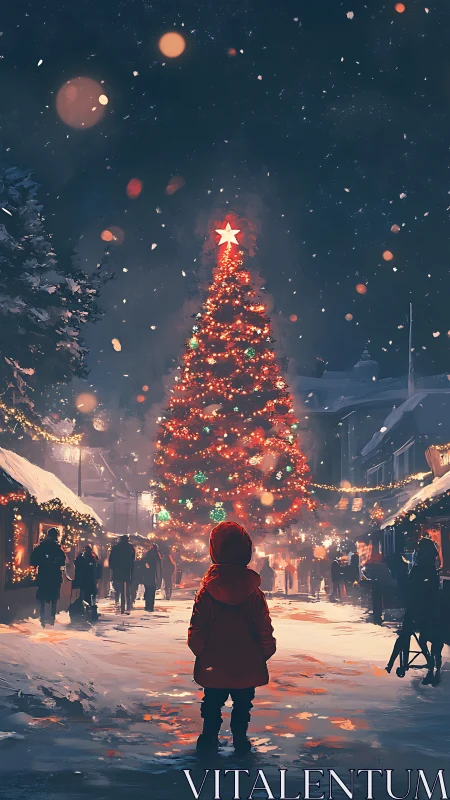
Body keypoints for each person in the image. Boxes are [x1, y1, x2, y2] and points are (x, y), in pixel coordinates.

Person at [188, 521, 276, 755]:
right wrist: (263, 652)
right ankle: (240, 739)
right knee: (243, 704)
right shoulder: (254, 593)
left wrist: (203, 652)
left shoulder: (207, 592)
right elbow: (263, 627)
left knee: (211, 703)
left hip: (213, 660)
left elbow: (197, 629)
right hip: (247, 660)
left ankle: (208, 737)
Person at [30, 527, 66, 627]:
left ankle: (42, 617)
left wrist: (42, 563)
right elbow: (62, 562)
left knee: (42, 597)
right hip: (54, 576)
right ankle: (51, 618)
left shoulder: (41, 547)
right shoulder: (57, 548)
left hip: (44, 575)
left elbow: (33, 560)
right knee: (53, 598)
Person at [109, 534, 136, 614]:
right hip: (127, 570)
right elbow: (133, 559)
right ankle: (128, 606)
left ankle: (120, 605)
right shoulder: (130, 547)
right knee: (127, 589)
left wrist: (113, 568)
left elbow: (111, 560)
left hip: (118, 570)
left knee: (119, 589)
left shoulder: (115, 548)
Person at [73, 544, 103, 616]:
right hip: (89, 580)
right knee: (89, 595)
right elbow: (96, 569)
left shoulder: (82, 558)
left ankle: (86, 610)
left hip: (84, 580)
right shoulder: (92, 558)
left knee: (84, 595)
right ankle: (88, 610)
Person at [142, 543, 162, 611]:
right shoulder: (157, 556)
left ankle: (147, 606)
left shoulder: (147, 555)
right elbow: (159, 568)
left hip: (147, 576)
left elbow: (143, 562)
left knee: (147, 591)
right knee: (152, 592)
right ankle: (151, 606)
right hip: (154, 577)